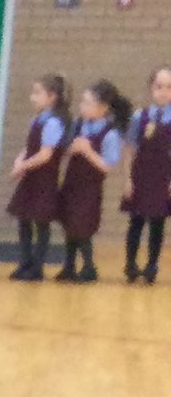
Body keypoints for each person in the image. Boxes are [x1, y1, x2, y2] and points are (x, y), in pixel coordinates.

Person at [55, 80, 131, 284]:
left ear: (103, 108)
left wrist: (87, 151)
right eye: (82, 102)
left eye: (88, 103)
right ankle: (69, 266)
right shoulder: (78, 124)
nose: (83, 107)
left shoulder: (110, 133)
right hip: (71, 183)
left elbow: (106, 166)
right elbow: (65, 150)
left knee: (82, 227)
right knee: (69, 224)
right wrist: (72, 148)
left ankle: (89, 266)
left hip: (89, 188)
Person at [6, 74, 69, 279]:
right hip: (31, 177)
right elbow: (29, 147)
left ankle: (37, 267)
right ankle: (25, 262)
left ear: (52, 96)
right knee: (23, 219)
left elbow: (45, 155)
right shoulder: (37, 120)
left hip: (44, 179)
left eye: (37, 93)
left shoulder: (53, 123)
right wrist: (19, 161)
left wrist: (23, 165)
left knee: (41, 223)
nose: (32, 97)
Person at [122, 66, 171, 283]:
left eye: (169, 87)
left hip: (163, 176)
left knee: (157, 223)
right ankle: (131, 265)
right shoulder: (139, 116)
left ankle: (152, 266)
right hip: (141, 175)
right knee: (136, 221)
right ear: (151, 88)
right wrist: (127, 178)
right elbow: (129, 148)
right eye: (159, 86)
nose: (164, 92)